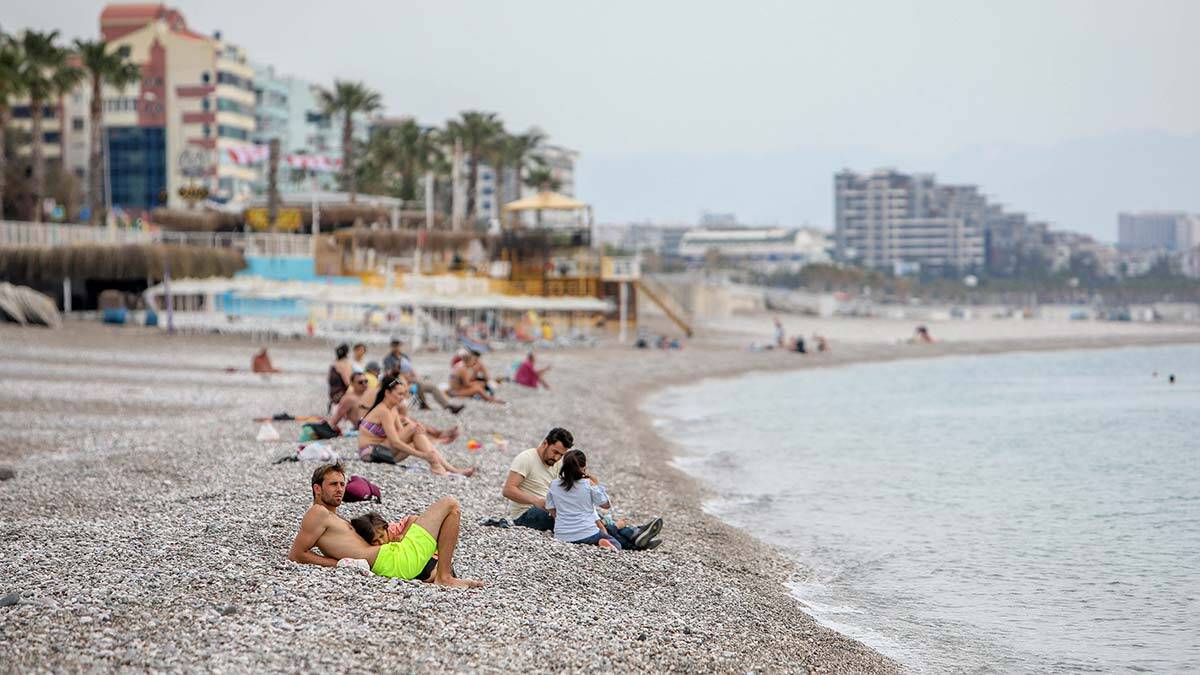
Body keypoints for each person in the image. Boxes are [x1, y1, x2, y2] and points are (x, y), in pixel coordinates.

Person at [287, 463, 481, 588]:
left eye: (342, 484)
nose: (340, 489)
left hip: (393, 558)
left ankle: (438, 573)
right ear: (317, 488)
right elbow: (297, 554)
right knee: (450, 505)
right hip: (392, 560)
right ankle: (444, 577)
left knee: (445, 513)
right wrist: (339, 564)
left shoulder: (332, 517)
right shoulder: (317, 513)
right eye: (333, 484)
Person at [501, 428, 662, 550]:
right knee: (584, 519)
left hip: (551, 506)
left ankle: (634, 537)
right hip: (527, 513)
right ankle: (632, 536)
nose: (556, 458)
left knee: (585, 514)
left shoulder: (556, 463)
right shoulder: (526, 459)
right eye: (555, 452)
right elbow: (508, 490)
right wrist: (536, 501)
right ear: (545, 443)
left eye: (561, 455)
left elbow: (569, 487)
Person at [357, 376, 476, 477]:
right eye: (399, 394)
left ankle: (447, 468)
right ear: (387, 393)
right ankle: (440, 466)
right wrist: (423, 455)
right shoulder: (383, 411)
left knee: (416, 434)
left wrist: (419, 432)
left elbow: (402, 433)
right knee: (413, 428)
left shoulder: (392, 409)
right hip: (370, 454)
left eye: (404, 394)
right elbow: (395, 442)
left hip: (383, 453)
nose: (402, 398)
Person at [545, 450, 621, 550]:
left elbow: (550, 508)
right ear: (584, 466)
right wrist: (597, 484)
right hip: (587, 533)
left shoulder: (554, 484)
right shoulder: (588, 484)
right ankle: (601, 544)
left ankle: (599, 544)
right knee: (616, 544)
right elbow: (606, 505)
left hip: (561, 535)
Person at [384, 339, 464, 414]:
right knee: (419, 384)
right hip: (401, 380)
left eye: (398, 345)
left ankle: (448, 406)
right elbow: (389, 374)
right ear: (392, 346)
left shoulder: (404, 356)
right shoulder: (388, 359)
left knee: (432, 387)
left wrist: (416, 376)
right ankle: (423, 403)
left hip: (412, 379)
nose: (397, 347)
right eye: (395, 345)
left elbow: (411, 369)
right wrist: (400, 373)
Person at [328, 343, 353, 409]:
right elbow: (348, 383)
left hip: (333, 396)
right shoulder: (345, 364)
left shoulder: (333, 364)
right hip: (341, 397)